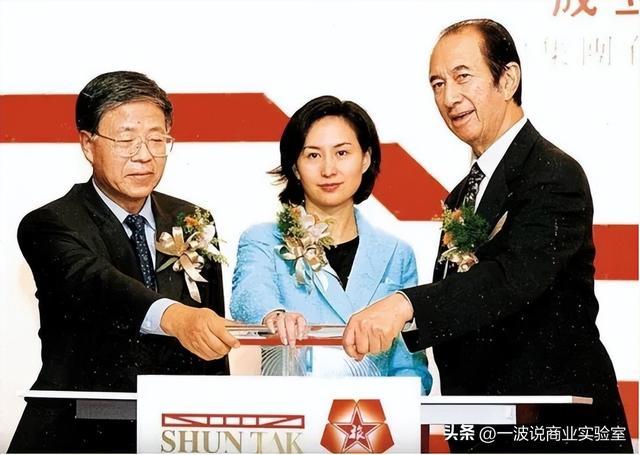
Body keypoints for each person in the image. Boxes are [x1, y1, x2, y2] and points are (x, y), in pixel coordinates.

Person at [342, 19, 632, 452]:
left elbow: (511, 278)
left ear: (508, 79)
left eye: (463, 77)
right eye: (437, 84)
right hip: (484, 430)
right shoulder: (463, 193)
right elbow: (461, 305)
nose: (449, 97)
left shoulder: (553, 174)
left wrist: (405, 304)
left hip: (553, 430)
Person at [9, 71, 239, 453]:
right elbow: (99, 284)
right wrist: (177, 318)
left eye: (156, 139)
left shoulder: (192, 220)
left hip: (173, 435)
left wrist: (218, 427)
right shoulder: (49, 223)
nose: (144, 154)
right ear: (88, 144)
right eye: (126, 139)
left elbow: (208, 334)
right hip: (78, 432)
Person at [230, 95, 432, 393]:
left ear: (366, 158)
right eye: (313, 155)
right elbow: (250, 295)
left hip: (370, 416)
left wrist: (403, 405)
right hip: (292, 413)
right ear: (295, 167)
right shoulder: (262, 239)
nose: (328, 169)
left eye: (342, 153)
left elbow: (408, 363)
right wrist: (275, 316)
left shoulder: (396, 254)